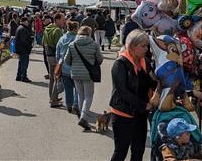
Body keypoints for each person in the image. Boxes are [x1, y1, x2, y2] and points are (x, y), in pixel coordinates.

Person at [109, 29, 157, 161]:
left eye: (147, 46)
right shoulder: (120, 64)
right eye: (143, 46)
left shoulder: (145, 62)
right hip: (123, 114)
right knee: (121, 151)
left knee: (138, 151)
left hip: (140, 113)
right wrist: (144, 105)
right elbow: (123, 92)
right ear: (132, 46)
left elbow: (151, 82)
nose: (146, 49)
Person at [64, 26, 103, 130]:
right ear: (89, 33)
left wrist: (75, 64)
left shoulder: (72, 44)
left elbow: (66, 60)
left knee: (80, 95)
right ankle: (83, 117)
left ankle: (82, 116)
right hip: (88, 74)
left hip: (75, 73)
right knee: (88, 96)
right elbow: (100, 59)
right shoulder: (94, 45)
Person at [56, 21, 79, 115]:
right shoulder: (77, 39)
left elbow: (57, 52)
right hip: (76, 68)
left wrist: (59, 61)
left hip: (64, 67)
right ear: (75, 28)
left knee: (68, 88)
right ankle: (76, 104)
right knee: (77, 88)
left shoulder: (62, 38)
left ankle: (69, 105)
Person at [42, 13, 65, 107]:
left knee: (52, 78)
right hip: (55, 56)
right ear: (57, 20)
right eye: (63, 19)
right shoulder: (57, 30)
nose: (64, 21)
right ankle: (54, 100)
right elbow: (59, 46)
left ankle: (52, 97)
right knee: (57, 79)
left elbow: (43, 42)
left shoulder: (47, 28)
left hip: (48, 55)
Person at [15, 17, 33, 82]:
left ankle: (19, 76)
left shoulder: (19, 28)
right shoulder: (23, 29)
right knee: (24, 64)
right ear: (24, 21)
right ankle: (23, 77)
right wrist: (29, 46)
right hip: (23, 49)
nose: (28, 23)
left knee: (21, 63)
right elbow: (24, 40)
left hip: (20, 48)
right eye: (27, 21)